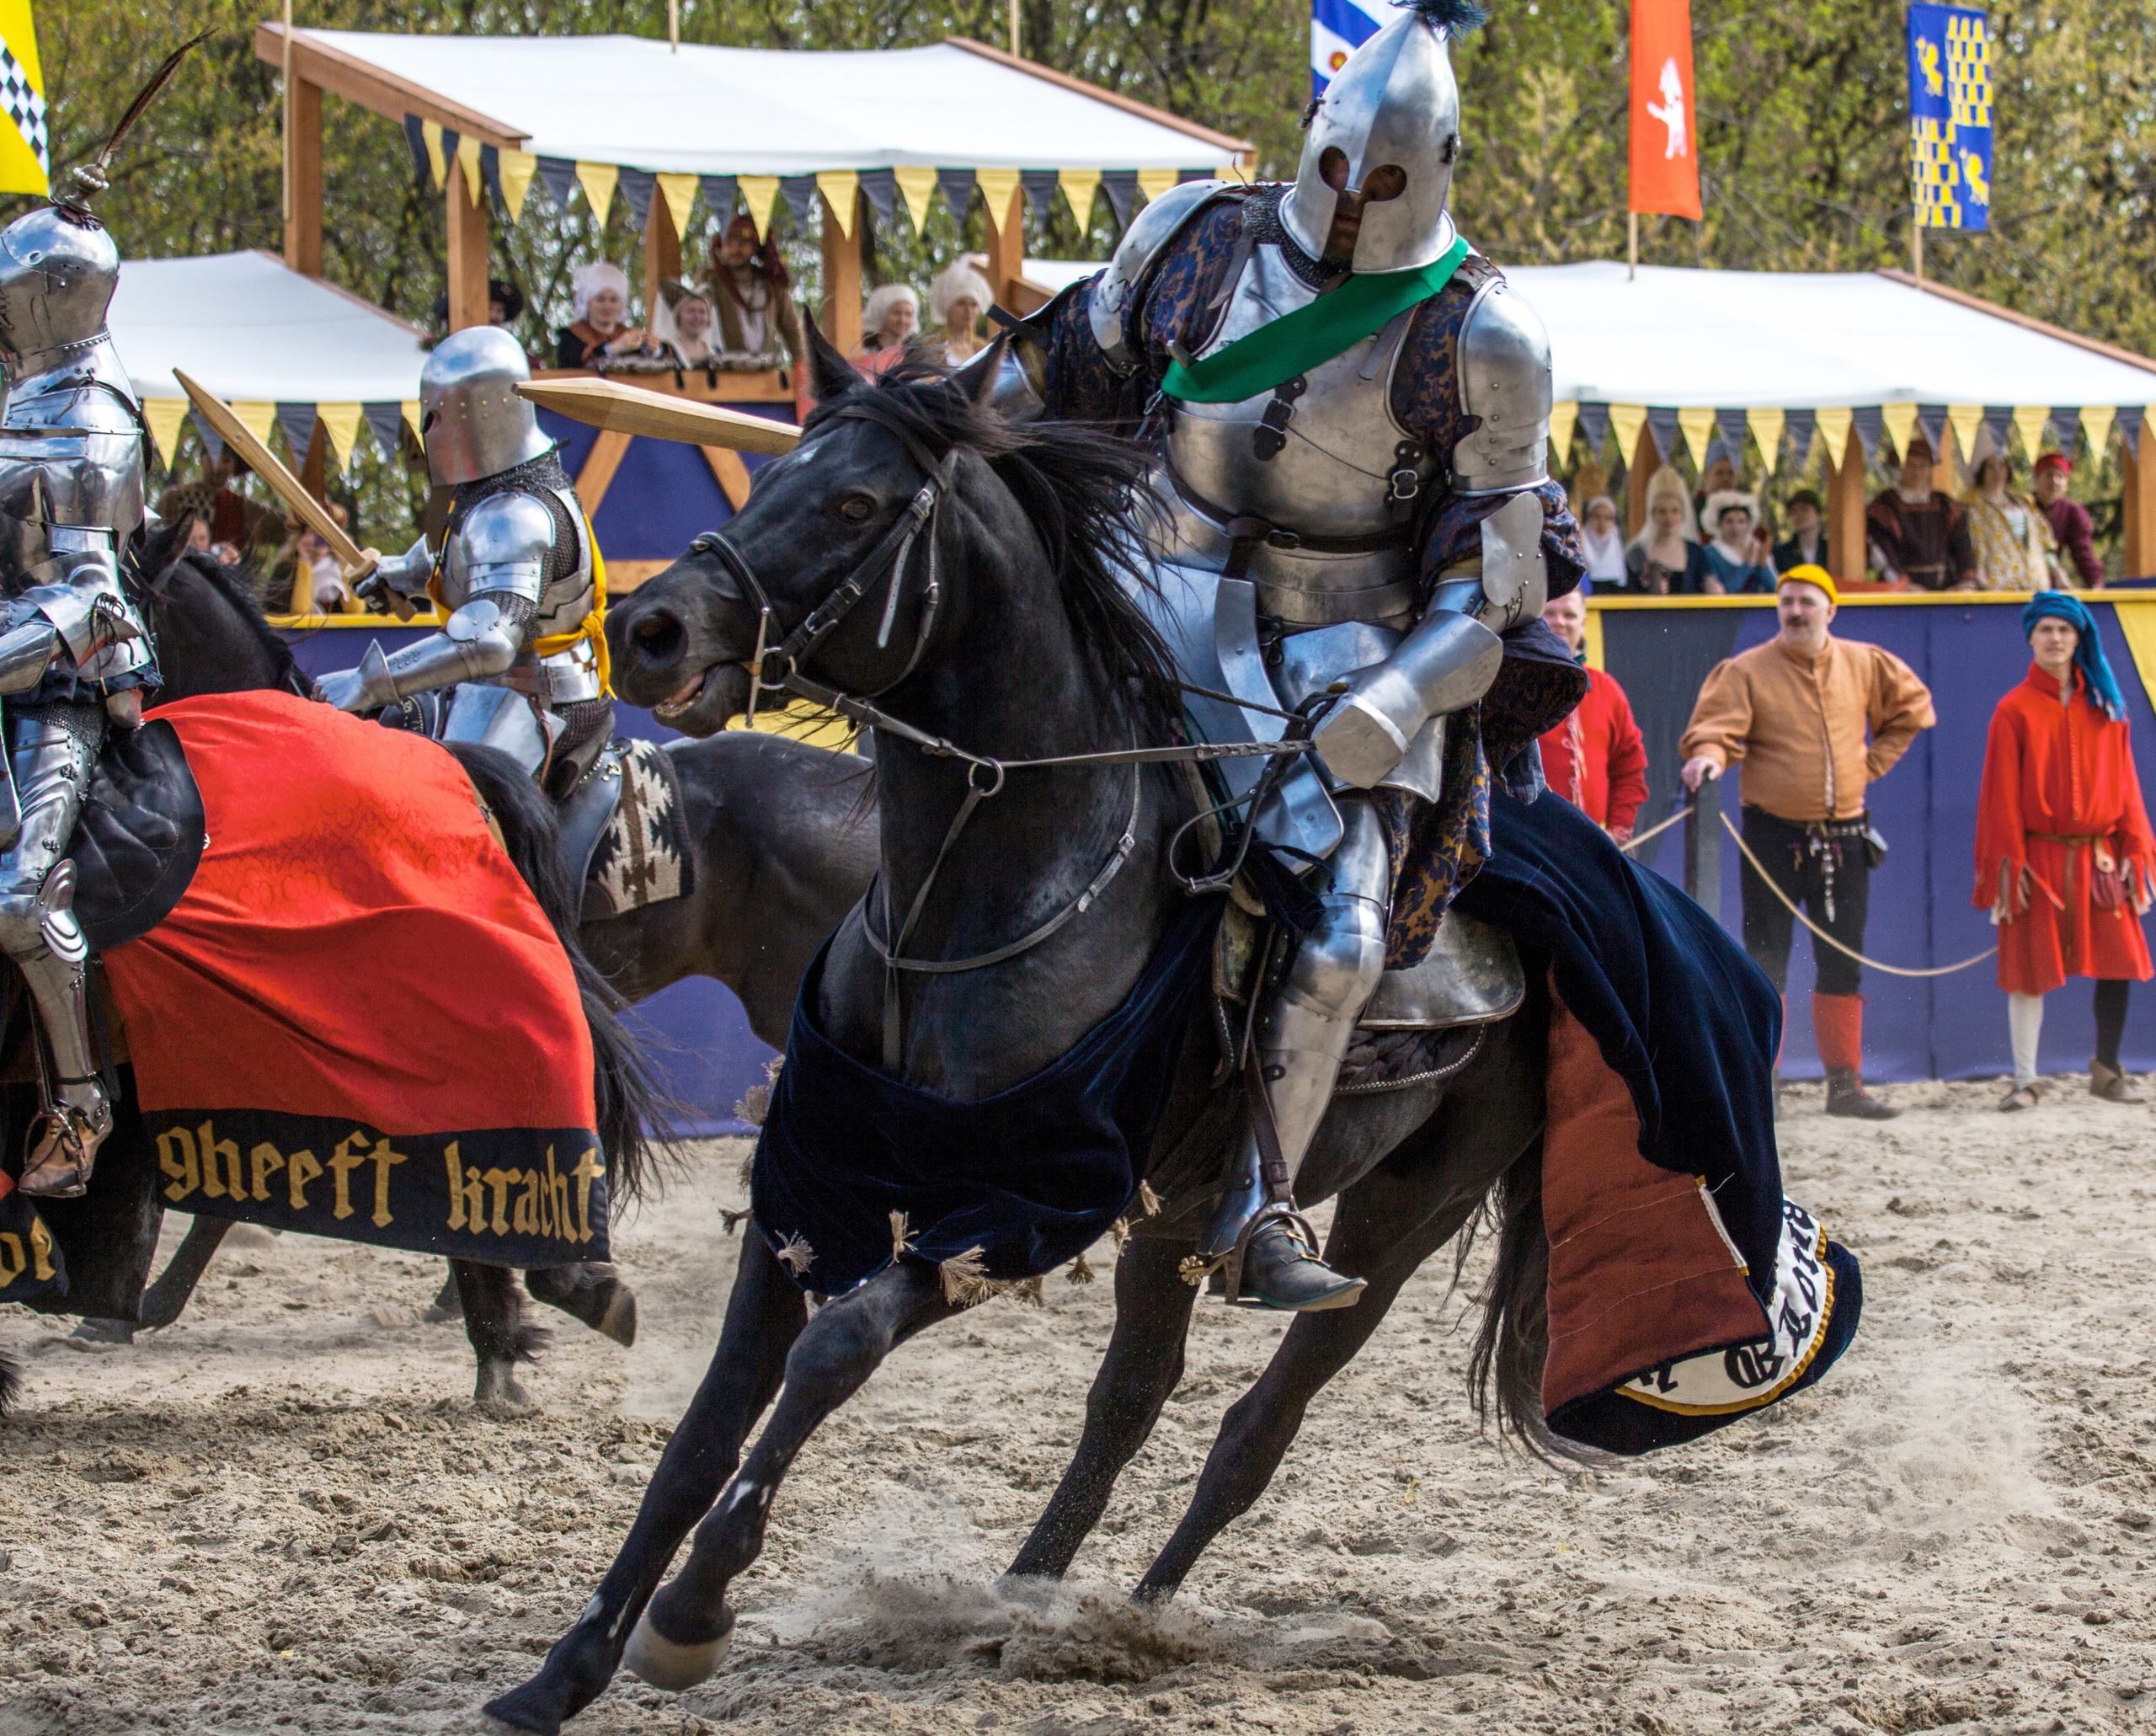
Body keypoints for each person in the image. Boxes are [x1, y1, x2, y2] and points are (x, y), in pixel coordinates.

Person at [1012, 5, 1583, 1308]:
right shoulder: (1196, 235)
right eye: (1337, 171)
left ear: (1434, 169)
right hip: (1141, 572)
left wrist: (1394, 701)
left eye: (1383, 182)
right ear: (1313, 139)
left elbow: (1494, 582)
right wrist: (930, 432)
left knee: (1339, 931)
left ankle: (1260, 1205)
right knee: (971, 732)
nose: (1348, 206)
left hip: (1352, 637)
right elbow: (1057, 371)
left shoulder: (1486, 335)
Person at [0, 161, 166, 1195]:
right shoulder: (20, 399)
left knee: (19, 898)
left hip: (61, 688)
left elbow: (92, 599)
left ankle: (78, 1099)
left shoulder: (93, 414)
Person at [1679, 567, 1936, 1118]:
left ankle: (1844, 1085)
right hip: (1772, 836)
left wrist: (1870, 765)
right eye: (1787, 601)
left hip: (1845, 838)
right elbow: (1713, 731)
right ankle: (1762, 1083)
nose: (1795, 611)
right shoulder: (1747, 670)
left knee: (1841, 961)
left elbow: (1913, 710)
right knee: (1764, 962)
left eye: (1807, 602)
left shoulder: (1865, 661)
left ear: (1831, 610)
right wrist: (1709, 759)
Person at [318, 327, 612, 804]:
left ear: (474, 414)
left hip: (535, 701)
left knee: (447, 817)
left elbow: (491, 642)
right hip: (505, 690)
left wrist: (367, 683)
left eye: (433, 417)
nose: (427, 431)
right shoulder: (501, 494)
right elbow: (458, 559)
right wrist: (397, 573)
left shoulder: (514, 513)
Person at [1977, 592, 2154, 1108]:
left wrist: (2133, 849)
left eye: (2065, 630)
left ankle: (2107, 1070)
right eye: (2046, 630)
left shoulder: (2107, 706)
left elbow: (2128, 787)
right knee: (2028, 969)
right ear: (2031, 637)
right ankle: (2026, 1079)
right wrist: (2012, 866)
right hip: (2039, 860)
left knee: (2119, 963)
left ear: (2079, 638)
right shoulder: (2013, 709)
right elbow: (2000, 796)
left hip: (2099, 858)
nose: (2055, 639)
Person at [1537, 589, 1647, 842]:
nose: (1560, 622)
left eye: (1569, 615)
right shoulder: (1512, 686)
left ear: (1583, 623)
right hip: (1531, 847)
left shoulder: (1607, 689)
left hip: (1593, 846)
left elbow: (1629, 768)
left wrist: (1617, 832)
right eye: (1550, 614)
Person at [1866, 435, 1977, 590]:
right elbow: (1882, 554)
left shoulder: (1945, 505)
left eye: (1923, 465)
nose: (1917, 472)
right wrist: (1904, 586)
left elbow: (1963, 546)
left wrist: (1966, 583)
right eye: (1911, 465)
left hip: (1945, 589)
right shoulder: (1885, 506)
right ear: (1900, 467)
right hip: (1902, 593)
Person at [707, 215, 806, 365]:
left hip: (765, 375)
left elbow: (794, 332)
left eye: (742, 244)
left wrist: (804, 369)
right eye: (729, 244)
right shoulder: (711, 280)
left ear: (755, 248)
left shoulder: (772, 286)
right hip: (724, 374)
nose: (735, 250)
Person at [1963, 448, 2063, 591]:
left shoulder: (2025, 505)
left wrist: (2057, 571)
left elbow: (2046, 545)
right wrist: (1980, 580)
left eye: (2002, 465)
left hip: (2035, 587)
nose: (1997, 471)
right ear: (1982, 471)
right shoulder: (1972, 508)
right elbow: (1966, 554)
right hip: (1997, 590)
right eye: (1991, 466)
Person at [157, 449, 281, 562]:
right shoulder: (173, 499)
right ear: (202, 459)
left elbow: (283, 527)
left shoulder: (245, 508)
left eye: (226, 460)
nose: (218, 466)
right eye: (212, 457)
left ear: (233, 466)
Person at [1625, 469, 1713, 593]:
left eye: (1674, 511)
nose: (1669, 518)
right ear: (1653, 514)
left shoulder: (1695, 552)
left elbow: (1707, 587)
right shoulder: (1638, 552)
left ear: (1682, 515)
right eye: (1662, 511)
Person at [554, 263, 652, 370]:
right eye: (600, 299)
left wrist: (653, 347)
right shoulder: (571, 337)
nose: (607, 306)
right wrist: (613, 349)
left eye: (613, 300)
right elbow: (569, 368)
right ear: (588, 303)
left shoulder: (628, 336)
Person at [270, 504, 355, 615]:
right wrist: (304, 561)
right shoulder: (285, 570)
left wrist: (346, 563)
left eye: (326, 533)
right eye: (314, 532)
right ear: (301, 537)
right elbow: (300, 612)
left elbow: (355, 610)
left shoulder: (340, 567)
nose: (321, 539)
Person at [2034, 454, 2105, 588]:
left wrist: (2094, 582)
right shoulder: (2023, 507)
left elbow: (2082, 552)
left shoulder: (2072, 512)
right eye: (2049, 475)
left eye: (2060, 476)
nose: (2054, 481)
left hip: (2051, 587)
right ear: (2037, 478)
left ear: (2066, 483)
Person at [1700, 490, 1777, 593]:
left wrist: (1763, 566)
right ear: (1719, 523)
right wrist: (1746, 567)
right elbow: (1721, 593)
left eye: (1741, 521)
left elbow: (1775, 590)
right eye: (1729, 521)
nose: (1735, 527)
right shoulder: (1709, 553)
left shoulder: (1755, 549)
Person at [927, 259, 995, 365]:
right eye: (961, 304)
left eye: (974, 304)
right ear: (948, 308)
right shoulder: (932, 348)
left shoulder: (983, 348)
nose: (969, 310)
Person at [649, 279, 719, 368]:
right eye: (691, 311)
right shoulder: (665, 351)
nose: (697, 317)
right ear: (678, 317)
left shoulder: (716, 354)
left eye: (702, 312)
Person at [855, 282, 919, 377]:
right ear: (882, 314)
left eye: (908, 314)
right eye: (896, 313)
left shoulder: (916, 357)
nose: (902, 320)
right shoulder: (863, 352)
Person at [1577, 493, 1626, 591]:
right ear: (1589, 518)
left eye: (1608, 518)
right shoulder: (1578, 544)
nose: (1602, 523)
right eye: (1597, 517)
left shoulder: (1616, 546)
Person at [1771, 489, 1827, 574]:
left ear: (1818, 514)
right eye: (1794, 511)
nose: (1798, 515)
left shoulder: (1830, 550)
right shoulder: (1781, 553)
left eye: (1805, 510)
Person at [1692, 442, 1738, 526]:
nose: (1726, 478)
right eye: (1719, 473)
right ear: (1707, 474)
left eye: (1731, 473)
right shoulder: (1692, 509)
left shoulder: (1743, 511)